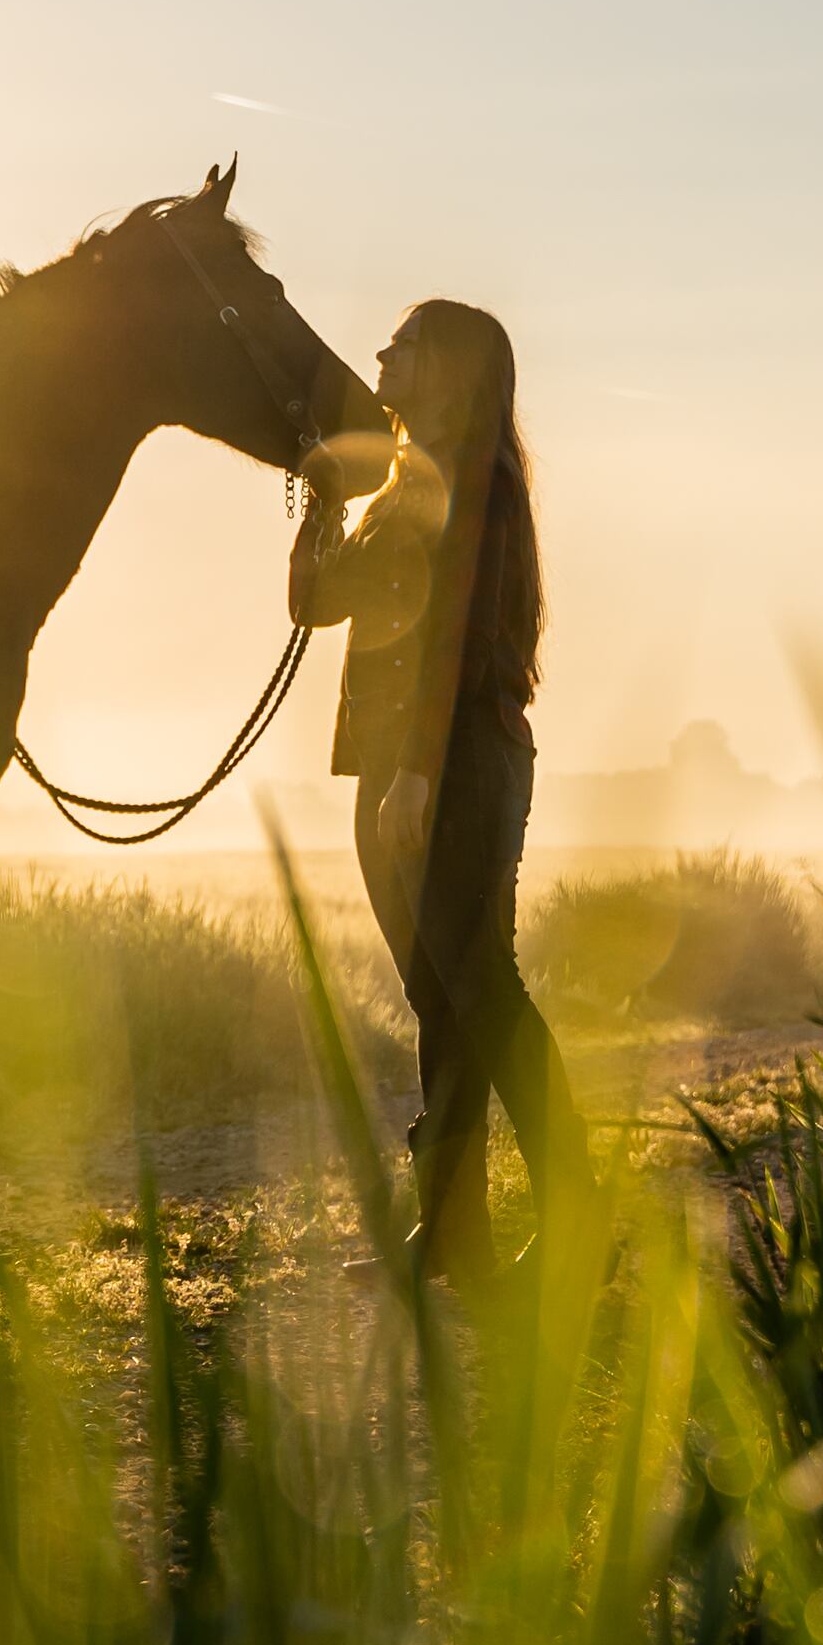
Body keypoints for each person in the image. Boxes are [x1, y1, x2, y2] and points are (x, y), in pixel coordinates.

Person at [291, 299, 587, 1268]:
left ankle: (570, 1216)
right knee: (443, 995)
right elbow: (315, 604)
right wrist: (324, 500)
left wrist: (414, 772)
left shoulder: (475, 485)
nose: (380, 354)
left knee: (477, 990)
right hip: (402, 765)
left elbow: (450, 636)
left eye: (402, 344)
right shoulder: (403, 490)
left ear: (448, 368)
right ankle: (452, 1228)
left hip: (451, 762)